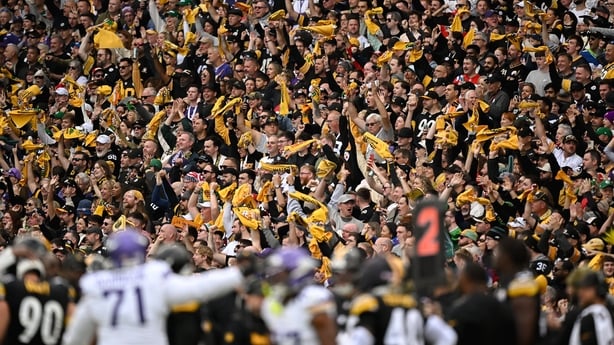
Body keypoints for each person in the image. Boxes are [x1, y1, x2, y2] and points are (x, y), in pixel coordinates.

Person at [62, 230, 249, 345]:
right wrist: (239, 272)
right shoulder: (153, 276)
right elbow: (198, 287)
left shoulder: (97, 284)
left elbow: (75, 338)